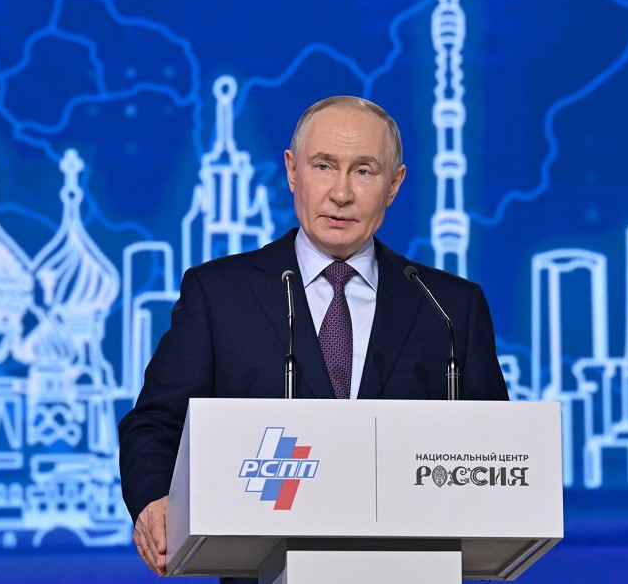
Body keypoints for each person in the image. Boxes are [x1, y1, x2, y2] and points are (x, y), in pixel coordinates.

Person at [118, 95, 510, 581]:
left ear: (394, 184)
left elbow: (496, 450)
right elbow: (155, 424)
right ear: (292, 170)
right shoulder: (219, 294)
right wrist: (155, 499)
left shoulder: (448, 308)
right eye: (323, 166)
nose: (341, 193)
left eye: (363, 171)